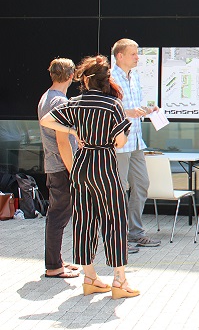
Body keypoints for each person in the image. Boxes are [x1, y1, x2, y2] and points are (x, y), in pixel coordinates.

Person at [40, 55, 139, 299]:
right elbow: (120, 141)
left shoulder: (75, 101)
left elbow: (46, 120)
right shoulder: (113, 104)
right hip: (104, 163)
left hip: (81, 164)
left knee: (85, 220)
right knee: (114, 220)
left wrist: (75, 129)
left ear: (86, 79)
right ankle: (119, 280)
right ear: (107, 79)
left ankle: (91, 277)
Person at [111, 38, 160, 252]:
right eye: (133, 54)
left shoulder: (135, 76)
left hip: (136, 141)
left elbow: (134, 106)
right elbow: (106, 109)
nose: (137, 57)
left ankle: (135, 232)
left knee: (141, 184)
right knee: (119, 189)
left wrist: (147, 110)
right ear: (120, 56)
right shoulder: (109, 78)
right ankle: (117, 238)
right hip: (120, 143)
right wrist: (127, 113)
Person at [38, 58, 80, 279]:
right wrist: (73, 170)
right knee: (58, 216)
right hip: (61, 166)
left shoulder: (47, 97)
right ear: (71, 76)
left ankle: (57, 261)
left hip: (52, 165)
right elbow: (63, 142)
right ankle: (54, 266)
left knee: (56, 214)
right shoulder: (61, 103)